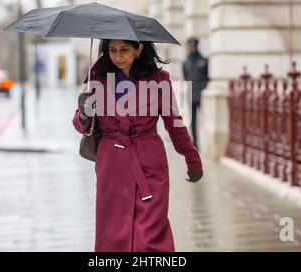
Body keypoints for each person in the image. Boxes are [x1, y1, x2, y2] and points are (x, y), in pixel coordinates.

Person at [72, 39, 203, 252]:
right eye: (112, 50)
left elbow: (175, 124)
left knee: (150, 238)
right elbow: (79, 125)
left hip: (149, 164)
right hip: (111, 167)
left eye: (124, 50)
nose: (117, 56)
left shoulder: (160, 80)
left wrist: (192, 158)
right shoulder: (96, 78)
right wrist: (85, 112)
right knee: (113, 236)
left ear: (138, 48)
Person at [182, 38, 209, 149]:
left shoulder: (204, 60)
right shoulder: (185, 62)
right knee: (192, 121)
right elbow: (186, 77)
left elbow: (207, 77)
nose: (192, 48)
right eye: (190, 46)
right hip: (191, 94)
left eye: (194, 46)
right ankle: (195, 143)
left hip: (202, 94)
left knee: (204, 119)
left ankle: (204, 142)